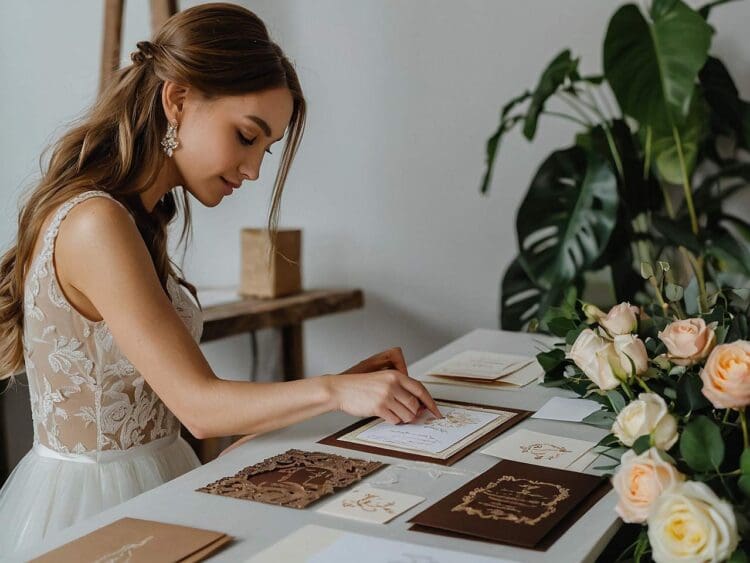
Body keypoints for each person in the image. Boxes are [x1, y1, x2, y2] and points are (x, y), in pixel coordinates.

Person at [0, 3, 440, 554]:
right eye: (246, 136)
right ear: (177, 99)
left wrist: (343, 388)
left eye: (265, 149)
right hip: (96, 506)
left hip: (158, 479)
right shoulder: (96, 223)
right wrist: (332, 391)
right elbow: (201, 409)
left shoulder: (135, 217)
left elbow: (181, 417)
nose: (254, 169)